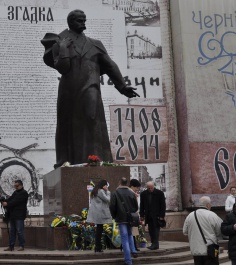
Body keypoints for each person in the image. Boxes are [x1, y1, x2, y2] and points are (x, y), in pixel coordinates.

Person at [41, 9, 139, 168]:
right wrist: (63, 48)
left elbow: (110, 65)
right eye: (80, 21)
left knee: (92, 118)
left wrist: (122, 86)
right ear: (71, 22)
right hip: (68, 91)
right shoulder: (59, 41)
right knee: (66, 124)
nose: (83, 24)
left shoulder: (95, 44)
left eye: (84, 20)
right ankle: (66, 162)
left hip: (90, 87)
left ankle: (95, 159)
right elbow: (63, 68)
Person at [183, 196, 223, 265]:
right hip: (210, 249)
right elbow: (220, 230)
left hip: (196, 250)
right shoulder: (212, 215)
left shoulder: (190, 215)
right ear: (208, 205)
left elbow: (185, 231)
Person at [109, 177, 139, 265]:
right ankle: (133, 250)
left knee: (124, 238)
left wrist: (114, 216)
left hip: (121, 218)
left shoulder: (114, 193)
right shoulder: (131, 193)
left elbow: (112, 206)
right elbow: (136, 207)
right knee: (130, 235)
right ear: (127, 183)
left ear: (119, 182)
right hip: (130, 218)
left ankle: (128, 261)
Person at [1, 180, 29, 251]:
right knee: (12, 231)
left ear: (21, 185)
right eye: (15, 186)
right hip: (12, 215)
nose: (15, 187)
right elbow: (10, 199)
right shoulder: (15, 192)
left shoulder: (24, 193)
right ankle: (11, 246)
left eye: (17, 186)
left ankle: (21, 246)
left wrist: (7, 204)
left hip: (19, 215)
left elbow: (16, 201)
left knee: (20, 231)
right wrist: (4, 201)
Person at [86, 179, 112, 252]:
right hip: (100, 213)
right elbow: (108, 200)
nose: (107, 187)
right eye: (106, 185)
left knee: (99, 229)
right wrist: (108, 192)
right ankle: (98, 247)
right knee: (99, 230)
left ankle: (97, 246)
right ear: (103, 185)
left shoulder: (95, 191)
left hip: (96, 213)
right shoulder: (101, 191)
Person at [139, 181, 166, 250]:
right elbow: (142, 205)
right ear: (147, 187)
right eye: (149, 188)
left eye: (151, 188)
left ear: (154, 186)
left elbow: (163, 205)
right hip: (148, 215)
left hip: (157, 215)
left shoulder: (159, 193)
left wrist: (162, 216)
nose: (150, 189)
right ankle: (153, 243)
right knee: (151, 230)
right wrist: (141, 215)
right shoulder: (143, 194)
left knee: (156, 230)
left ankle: (155, 244)